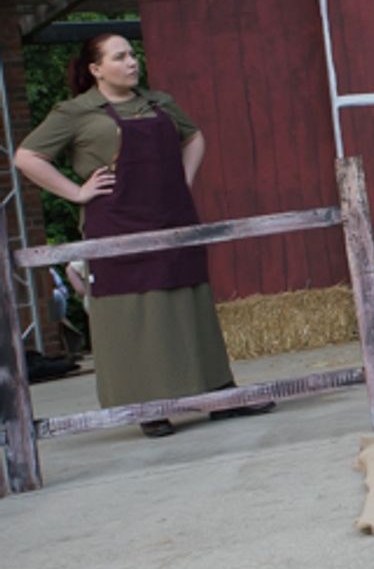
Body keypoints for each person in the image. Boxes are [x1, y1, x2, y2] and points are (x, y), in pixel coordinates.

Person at [15, 34, 272, 436]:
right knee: (131, 312)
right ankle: (146, 406)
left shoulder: (159, 102)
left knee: (190, 302)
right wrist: (77, 192)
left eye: (132, 54)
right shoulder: (76, 112)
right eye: (119, 57)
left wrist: (183, 181)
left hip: (173, 216)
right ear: (96, 69)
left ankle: (219, 395)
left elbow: (195, 137)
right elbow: (27, 157)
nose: (132, 62)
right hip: (117, 221)